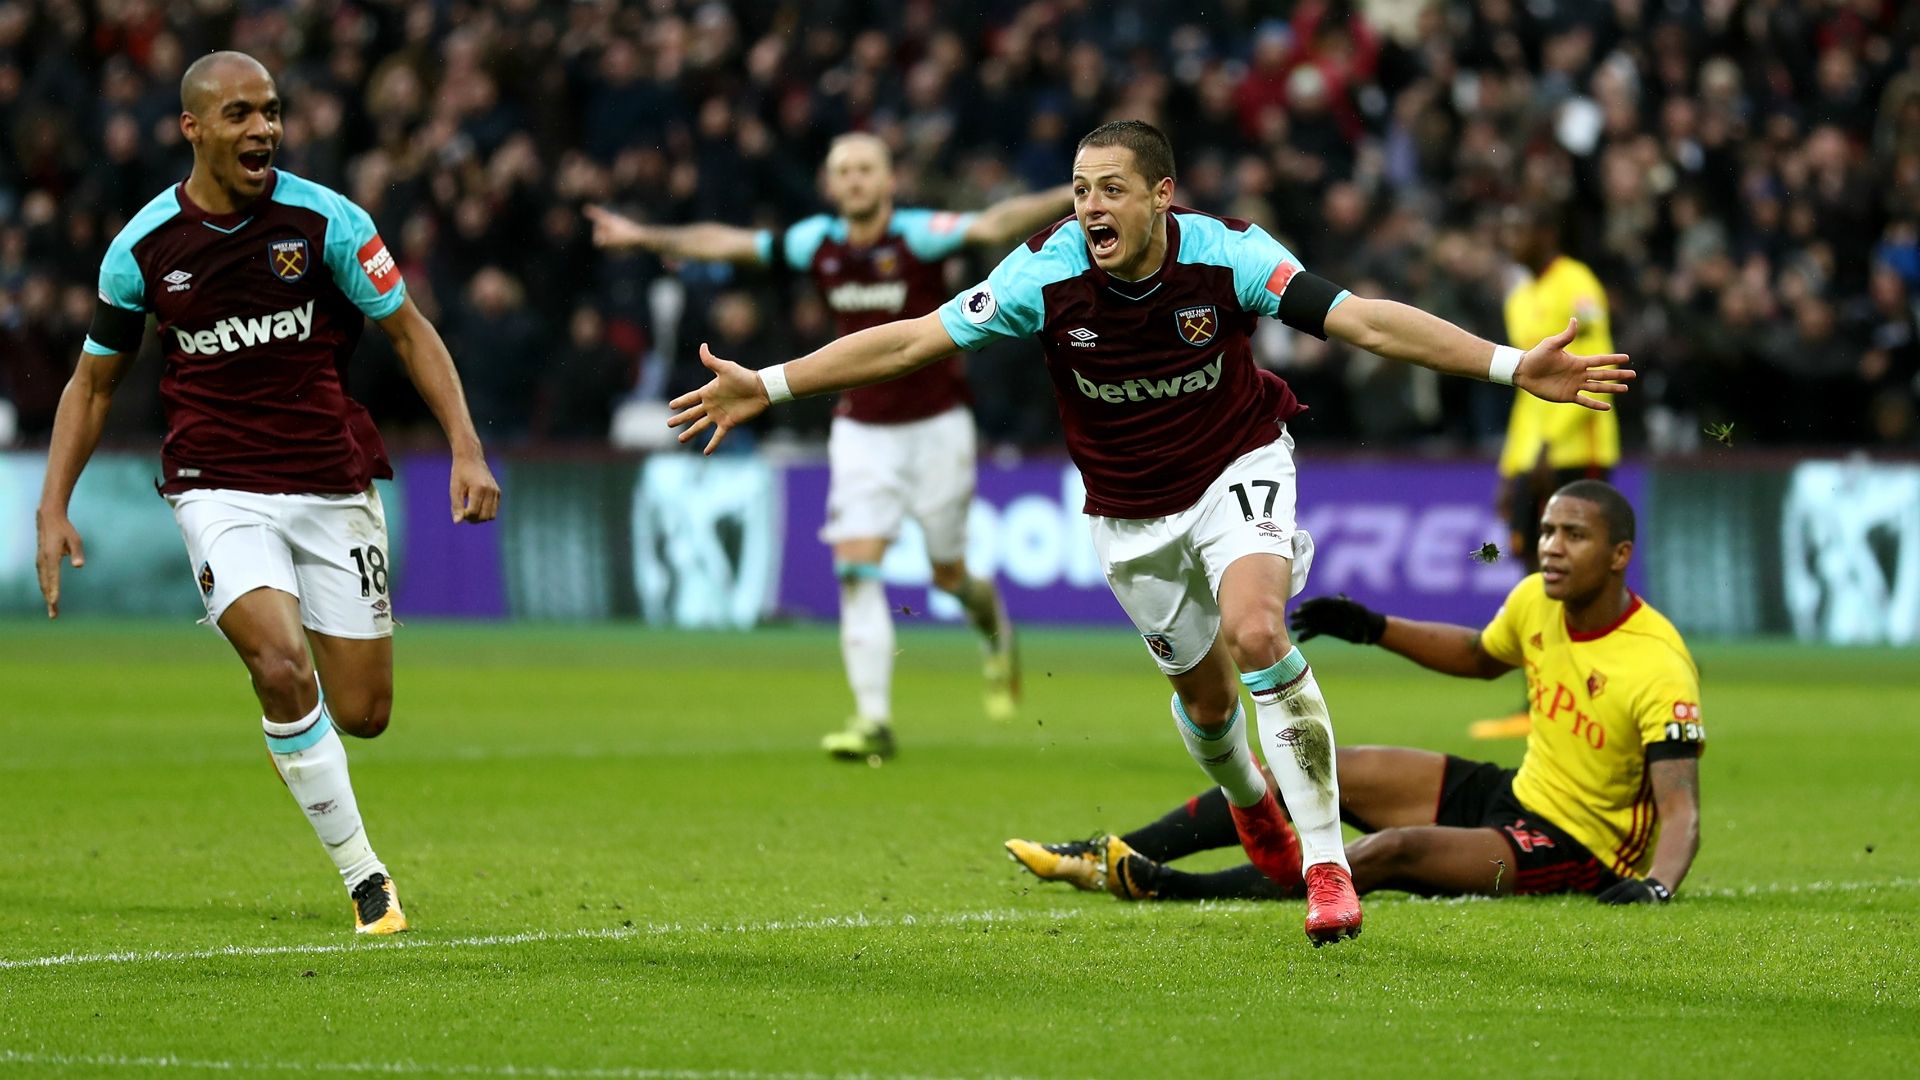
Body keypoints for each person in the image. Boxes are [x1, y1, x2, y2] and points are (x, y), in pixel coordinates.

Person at [665, 120, 1632, 944]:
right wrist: (774, 381)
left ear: (1161, 197)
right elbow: (913, 337)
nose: (1091, 207)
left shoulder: (1229, 254)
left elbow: (1365, 322)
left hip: (1236, 468)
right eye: (1082, 189)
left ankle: (1327, 869)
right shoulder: (1044, 272)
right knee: (1208, 708)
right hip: (1129, 515)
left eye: (1112, 189)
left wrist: (1509, 367)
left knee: (1259, 633)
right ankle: (1252, 800)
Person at [33, 52, 500, 935]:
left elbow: (409, 333)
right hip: (217, 483)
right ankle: (367, 879)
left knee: (364, 713)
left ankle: (307, 735)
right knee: (280, 664)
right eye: (241, 115)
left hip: (329, 479)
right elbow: (92, 386)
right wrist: (54, 504)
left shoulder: (327, 221)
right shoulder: (142, 250)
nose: (263, 131)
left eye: (273, 113)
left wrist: (466, 447)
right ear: (194, 128)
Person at [588, 134, 1070, 761]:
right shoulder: (817, 242)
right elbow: (727, 242)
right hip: (861, 430)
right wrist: (646, 238)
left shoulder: (919, 236)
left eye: (867, 168)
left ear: (889, 179)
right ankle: (873, 721)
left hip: (938, 426)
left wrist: (1075, 194)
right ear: (830, 183)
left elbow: (995, 222)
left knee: (947, 574)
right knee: (855, 566)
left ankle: (996, 632)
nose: (856, 180)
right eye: (843, 171)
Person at [1008, 481, 1702, 907]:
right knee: (1313, 770)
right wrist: (1374, 628)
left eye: (1573, 536)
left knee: (1386, 852)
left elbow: (1681, 812)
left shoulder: (1657, 665)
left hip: (1576, 848)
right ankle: (1106, 851)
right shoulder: (1535, 600)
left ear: (1619, 556)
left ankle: (1159, 883)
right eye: (1548, 530)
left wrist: (1657, 886)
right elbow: (1480, 657)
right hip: (1518, 794)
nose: (1550, 547)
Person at [1475, 206, 1619, 739]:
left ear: (1546, 232)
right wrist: (1510, 465)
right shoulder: (1519, 295)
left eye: (1520, 227)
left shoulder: (1577, 284)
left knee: (1580, 570)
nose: (1511, 238)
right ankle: (1543, 696)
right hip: (1532, 453)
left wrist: (1549, 449)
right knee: (1533, 567)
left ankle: (1595, 688)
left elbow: (1599, 369)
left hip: (1577, 447)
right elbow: (1526, 390)